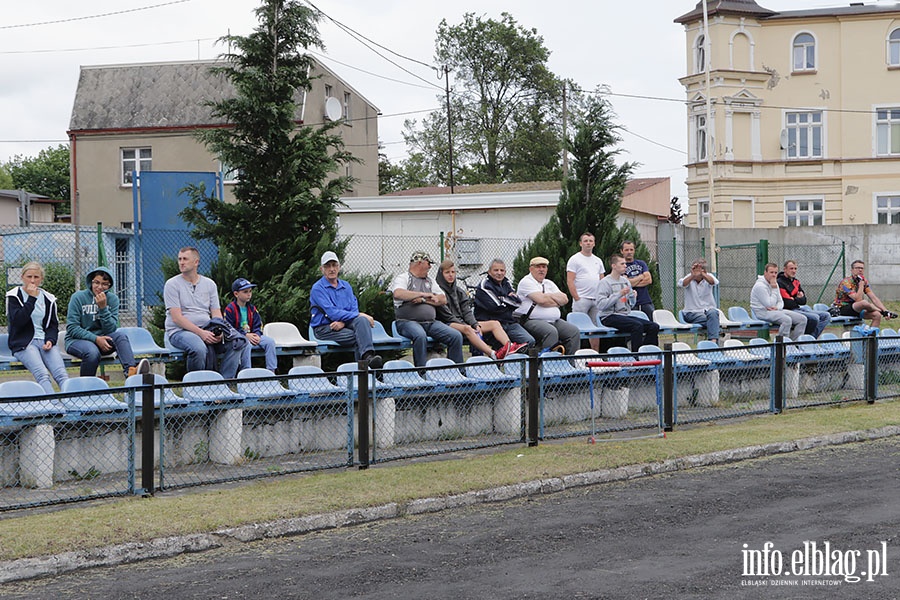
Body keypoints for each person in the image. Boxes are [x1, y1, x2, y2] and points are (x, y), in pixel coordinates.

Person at [164, 246, 243, 378]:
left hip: (207, 329)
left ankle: (222, 383)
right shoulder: (172, 284)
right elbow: (177, 318)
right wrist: (201, 333)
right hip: (180, 332)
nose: (181, 262)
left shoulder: (209, 284)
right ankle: (196, 387)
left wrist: (219, 331)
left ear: (196, 262)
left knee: (238, 342)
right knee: (199, 348)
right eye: (179, 259)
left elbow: (216, 313)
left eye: (185, 259)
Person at [65, 266, 148, 378]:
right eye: (96, 282)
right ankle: (85, 388)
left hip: (102, 341)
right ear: (91, 282)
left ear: (109, 286)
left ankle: (131, 372)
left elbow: (110, 329)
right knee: (92, 352)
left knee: (120, 336)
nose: (100, 287)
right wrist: (96, 339)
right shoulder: (78, 297)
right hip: (77, 341)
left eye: (104, 284)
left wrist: (103, 308)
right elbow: (72, 328)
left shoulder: (113, 299)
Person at [435, 259, 527, 360]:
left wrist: (475, 324)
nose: (451, 275)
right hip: (447, 323)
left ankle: (510, 348)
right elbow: (447, 316)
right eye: (447, 272)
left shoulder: (459, 291)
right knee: (469, 329)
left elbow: (467, 311)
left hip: (464, 323)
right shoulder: (437, 291)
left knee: (494, 324)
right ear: (441, 274)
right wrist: (468, 325)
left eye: (453, 272)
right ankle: (493, 354)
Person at [390, 251, 464, 367]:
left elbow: (443, 299)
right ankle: (422, 374)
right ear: (420, 263)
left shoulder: (430, 281)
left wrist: (424, 300)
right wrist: (423, 294)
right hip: (407, 322)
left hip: (430, 323)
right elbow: (398, 293)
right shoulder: (404, 278)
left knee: (456, 336)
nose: (430, 267)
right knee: (420, 335)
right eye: (428, 263)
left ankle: (457, 372)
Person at [310, 251, 382, 369]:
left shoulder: (346, 286)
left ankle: (368, 358)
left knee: (362, 322)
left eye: (334, 265)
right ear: (321, 269)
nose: (332, 269)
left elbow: (353, 308)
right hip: (325, 328)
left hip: (343, 324)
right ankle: (364, 374)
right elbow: (332, 312)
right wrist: (359, 314)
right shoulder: (318, 288)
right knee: (361, 336)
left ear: (339, 267)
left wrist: (343, 322)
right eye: (328, 266)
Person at [6, 261, 69, 393]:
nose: (32, 281)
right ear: (22, 277)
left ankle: (72, 403)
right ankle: (53, 406)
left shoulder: (48, 298)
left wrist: (50, 341)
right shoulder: (13, 296)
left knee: (61, 374)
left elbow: (53, 326)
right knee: (42, 375)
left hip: (44, 341)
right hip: (24, 343)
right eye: (29, 277)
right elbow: (18, 321)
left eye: (36, 277)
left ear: (41, 279)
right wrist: (31, 299)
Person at [515, 257, 581, 355]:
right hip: (530, 320)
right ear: (531, 269)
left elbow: (565, 299)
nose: (541, 269)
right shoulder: (526, 282)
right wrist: (554, 300)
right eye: (538, 267)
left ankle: (570, 364)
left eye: (544, 267)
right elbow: (541, 300)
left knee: (573, 331)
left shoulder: (549, 283)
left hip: (553, 320)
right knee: (551, 332)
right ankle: (546, 365)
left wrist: (547, 297)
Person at [596, 254, 660, 351]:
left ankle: (647, 353)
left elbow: (630, 304)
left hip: (624, 315)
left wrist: (633, 297)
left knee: (653, 326)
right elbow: (601, 305)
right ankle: (636, 355)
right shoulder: (605, 282)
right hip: (609, 316)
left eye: (625, 263)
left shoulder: (625, 281)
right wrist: (619, 294)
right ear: (614, 266)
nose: (625, 266)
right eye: (622, 264)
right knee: (637, 326)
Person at [473, 259, 535, 348]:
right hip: (491, 325)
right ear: (489, 272)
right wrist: (508, 300)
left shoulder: (507, 283)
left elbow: (517, 303)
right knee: (502, 346)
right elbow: (495, 307)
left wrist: (502, 299)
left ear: (505, 272)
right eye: (496, 270)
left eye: (502, 270)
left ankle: (517, 359)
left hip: (509, 322)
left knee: (529, 341)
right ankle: (501, 359)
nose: (499, 273)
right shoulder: (484, 285)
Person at [224, 277, 278, 373]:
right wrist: (245, 335)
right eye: (245, 292)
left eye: (250, 291)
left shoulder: (252, 309)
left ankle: (271, 372)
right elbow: (229, 328)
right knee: (246, 345)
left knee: (270, 342)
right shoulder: (230, 309)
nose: (249, 294)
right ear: (236, 294)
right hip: (240, 338)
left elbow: (259, 324)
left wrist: (257, 334)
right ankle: (247, 373)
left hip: (253, 336)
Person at [566, 232, 605, 351]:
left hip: (596, 300)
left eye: (590, 241)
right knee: (577, 330)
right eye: (586, 241)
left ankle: (595, 356)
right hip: (582, 299)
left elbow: (602, 280)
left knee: (595, 329)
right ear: (580, 243)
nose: (588, 243)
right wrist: (577, 298)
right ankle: (575, 355)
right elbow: (570, 280)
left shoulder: (598, 260)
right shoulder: (574, 259)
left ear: (594, 244)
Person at [751, 263, 807, 340]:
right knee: (786, 320)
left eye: (775, 273)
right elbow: (769, 304)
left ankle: (794, 344)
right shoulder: (760, 286)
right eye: (771, 272)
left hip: (776, 310)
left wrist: (777, 307)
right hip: (762, 312)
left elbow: (781, 302)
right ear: (765, 273)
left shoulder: (775, 283)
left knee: (802, 319)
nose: (774, 275)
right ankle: (782, 346)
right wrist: (773, 288)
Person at [833, 260, 897, 328]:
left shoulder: (863, 281)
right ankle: (881, 312)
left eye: (862, 268)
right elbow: (858, 299)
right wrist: (861, 285)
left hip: (857, 308)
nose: (860, 270)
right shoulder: (846, 282)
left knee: (877, 315)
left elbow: (873, 298)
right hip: (842, 307)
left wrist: (885, 309)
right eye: (857, 268)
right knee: (864, 303)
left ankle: (870, 337)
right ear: (852, 270)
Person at [777, 260, 831, 338]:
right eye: (791, 268)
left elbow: (804, 301)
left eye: (795, 269)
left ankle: (811, 338)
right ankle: (804, 339)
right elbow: (788, 303)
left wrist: (794, 299)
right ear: (785, 269)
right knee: (814, 318)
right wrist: (797, 298)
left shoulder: (796, 282)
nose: (794, 271)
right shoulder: (780, 282)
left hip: (798, 308)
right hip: (788, 310)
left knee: (826, 316)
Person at [680, 258, 721, 345]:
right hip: (691, 313)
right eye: (696, 268)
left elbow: (713, 282)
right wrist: (692, 275)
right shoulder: (689, 277)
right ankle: (714, 344)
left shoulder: (709, 276)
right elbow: (683, 284)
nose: (697, 271)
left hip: (708, 312)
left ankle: (712, 343)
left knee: (713, 313)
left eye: (700, 268)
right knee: (713, 321)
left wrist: (702, 273)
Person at [621, 240, 655, 320]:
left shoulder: (641, 263)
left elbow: (649, 280)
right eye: (626, 250)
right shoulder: (621, 266)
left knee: (652, 324)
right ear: (622, 251)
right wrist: (640, 277)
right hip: (630, 303)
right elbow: (625, 283)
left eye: (631, 250)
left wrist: (630, 281)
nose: (629, 252)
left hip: (645, 301)